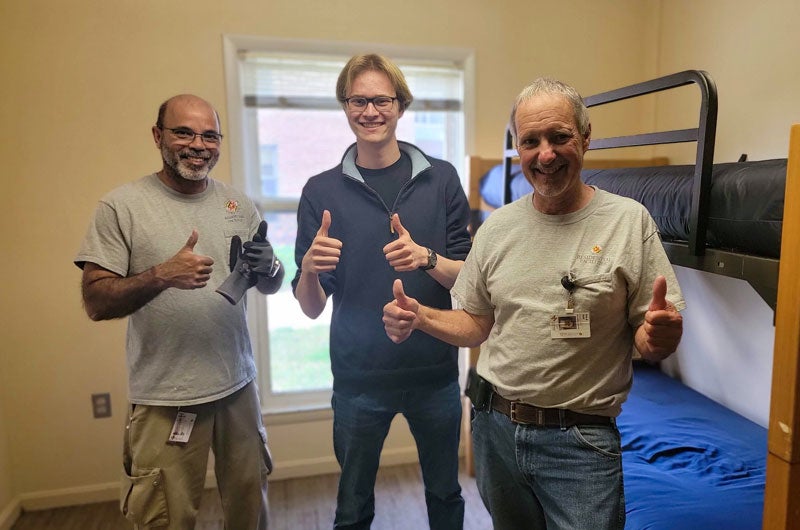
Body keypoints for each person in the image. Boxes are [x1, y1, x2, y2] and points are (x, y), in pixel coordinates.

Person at [382, 78, 685, 530]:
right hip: (495, 430)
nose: (545, 155)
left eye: (560, 137)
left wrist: (660, 334)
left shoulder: (628, 221)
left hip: (580, 441)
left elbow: (651, 334)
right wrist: (420, 316)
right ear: (518, 147)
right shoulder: (498, 228)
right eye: (530, 141)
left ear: (585, 137)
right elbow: (476, 324)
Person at [75, 94, 283, 530]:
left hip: (237, 387)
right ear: (158, 136)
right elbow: (95, 301)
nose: (198, 144)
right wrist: (162, 275)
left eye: (210, 135)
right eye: (184, 132)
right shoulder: (122, 207)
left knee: (251, 511)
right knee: (164, 518)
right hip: (164, 397)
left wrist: (272, 267)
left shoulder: (238, 205)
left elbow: (270, 281)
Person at [292, 54, 471, 529]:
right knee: (352, 507)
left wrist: (425, 258)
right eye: (358, 100)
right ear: (345, 107)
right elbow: (310, 308)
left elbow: (469, 280)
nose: (370, 111)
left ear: (400, 105)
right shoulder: (320, 192)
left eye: (381, 100)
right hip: (358, 380)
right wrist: (309, 269)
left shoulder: (442, 178)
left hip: (434, 373)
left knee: (446, 497)